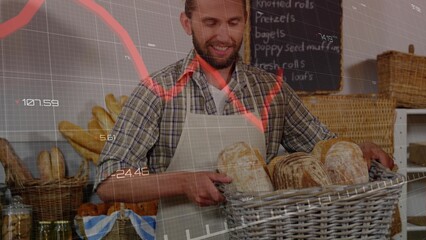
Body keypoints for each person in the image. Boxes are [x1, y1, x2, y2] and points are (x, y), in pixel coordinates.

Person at [94, 0, 394, 239]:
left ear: (245, 23)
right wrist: (184, 182)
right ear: (187, 23)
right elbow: (108, 182)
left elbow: (324, 147)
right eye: (210, 22)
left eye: (233, 23)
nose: (223, 36)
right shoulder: (155, 92)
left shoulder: (272, 91)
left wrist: (360, 149)